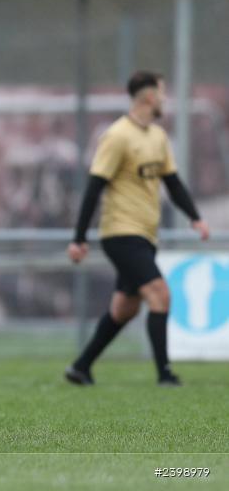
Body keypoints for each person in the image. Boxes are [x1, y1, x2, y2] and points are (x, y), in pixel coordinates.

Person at [65, 71, 209, 387]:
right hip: (120, 232)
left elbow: (172, 182)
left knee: (125, 308)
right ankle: (165, 375)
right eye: (162, 93)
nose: (165, 99)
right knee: (160, 294)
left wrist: (195, 217)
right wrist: (78, 238)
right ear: (148, 97)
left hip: (145, 234)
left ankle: (81, 366)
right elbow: (94, 187)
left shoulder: (158, 137)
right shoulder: (117, 136)